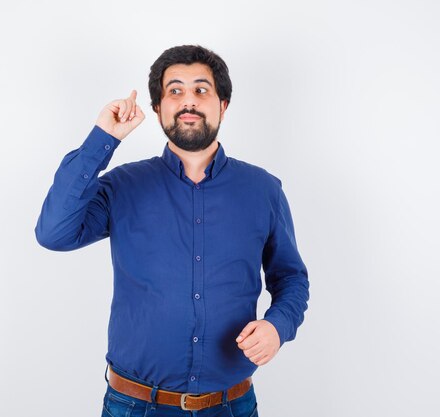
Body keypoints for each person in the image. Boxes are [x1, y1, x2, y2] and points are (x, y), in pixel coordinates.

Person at [34, 45, 309, 417]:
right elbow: (54, 233)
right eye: (175, 91)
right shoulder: (123, 186)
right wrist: (103, 139)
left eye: (201, 90)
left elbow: (291, 277)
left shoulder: (263, 190)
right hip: (134, 406)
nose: (188, 101)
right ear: (159, 108)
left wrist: (278, 327)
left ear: (222, 105)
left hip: (230, 406)